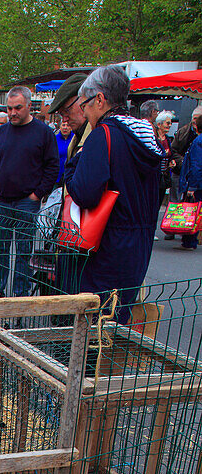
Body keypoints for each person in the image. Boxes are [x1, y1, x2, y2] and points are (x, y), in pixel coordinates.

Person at [65, 65, 162, 321]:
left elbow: (85, 193)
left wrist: (73, 166)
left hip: (107, 242)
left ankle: (88, 361)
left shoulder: (103, 135)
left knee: (95, 320)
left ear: (100, 99)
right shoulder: (146, 137)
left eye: (85, 104)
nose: (84, 113)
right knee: (119, 318)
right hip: (140, 242)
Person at [0, 85, 59, 298]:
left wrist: (38, 193)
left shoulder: (43, 133)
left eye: (17, 108)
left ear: (29, 107)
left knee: (24, 251)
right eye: (9, 108)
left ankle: (20, 293)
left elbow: (52, 166)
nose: (13, 113)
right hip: (2, 201)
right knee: (0, 248)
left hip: (27, 201)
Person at [179, 129, 202, 250]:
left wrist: (192, 186)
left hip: (198, 184)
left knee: (193, 211)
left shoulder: (198, 141)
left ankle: (189, 241)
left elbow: (197, 165)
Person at [155, 111, 177, 237]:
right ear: (159, 124)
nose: (169, 125)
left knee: (158, 203)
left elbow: (170, 154)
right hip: (154, 176)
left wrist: (171, 161)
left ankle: (152, 229)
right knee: (152, 203)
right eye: (167, 123)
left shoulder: (167, 139)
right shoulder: (154, 138)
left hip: (163, 176)